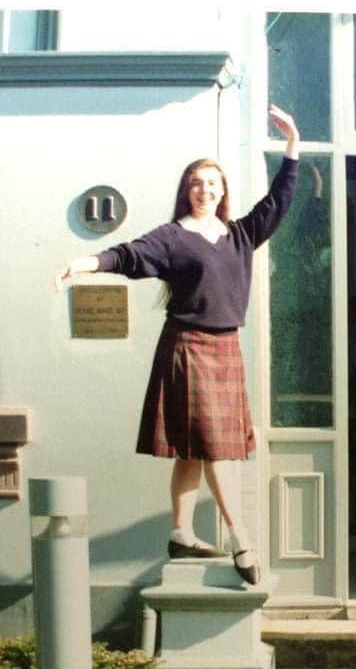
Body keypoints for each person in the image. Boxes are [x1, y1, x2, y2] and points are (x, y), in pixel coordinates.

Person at [55, 105, 300, 585]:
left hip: (226, 348)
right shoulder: (172, 238)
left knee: (196, 448)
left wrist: (292, 146)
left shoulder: (240, 234)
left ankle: (181, 532)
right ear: (186, 192)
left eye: (214, 184)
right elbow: (127, 256)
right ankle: (242, 540)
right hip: (188, 346)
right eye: (197, 184)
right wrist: (82, 264)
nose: (206, 190)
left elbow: (278, 202)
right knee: (216, 450)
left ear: (223, 191)